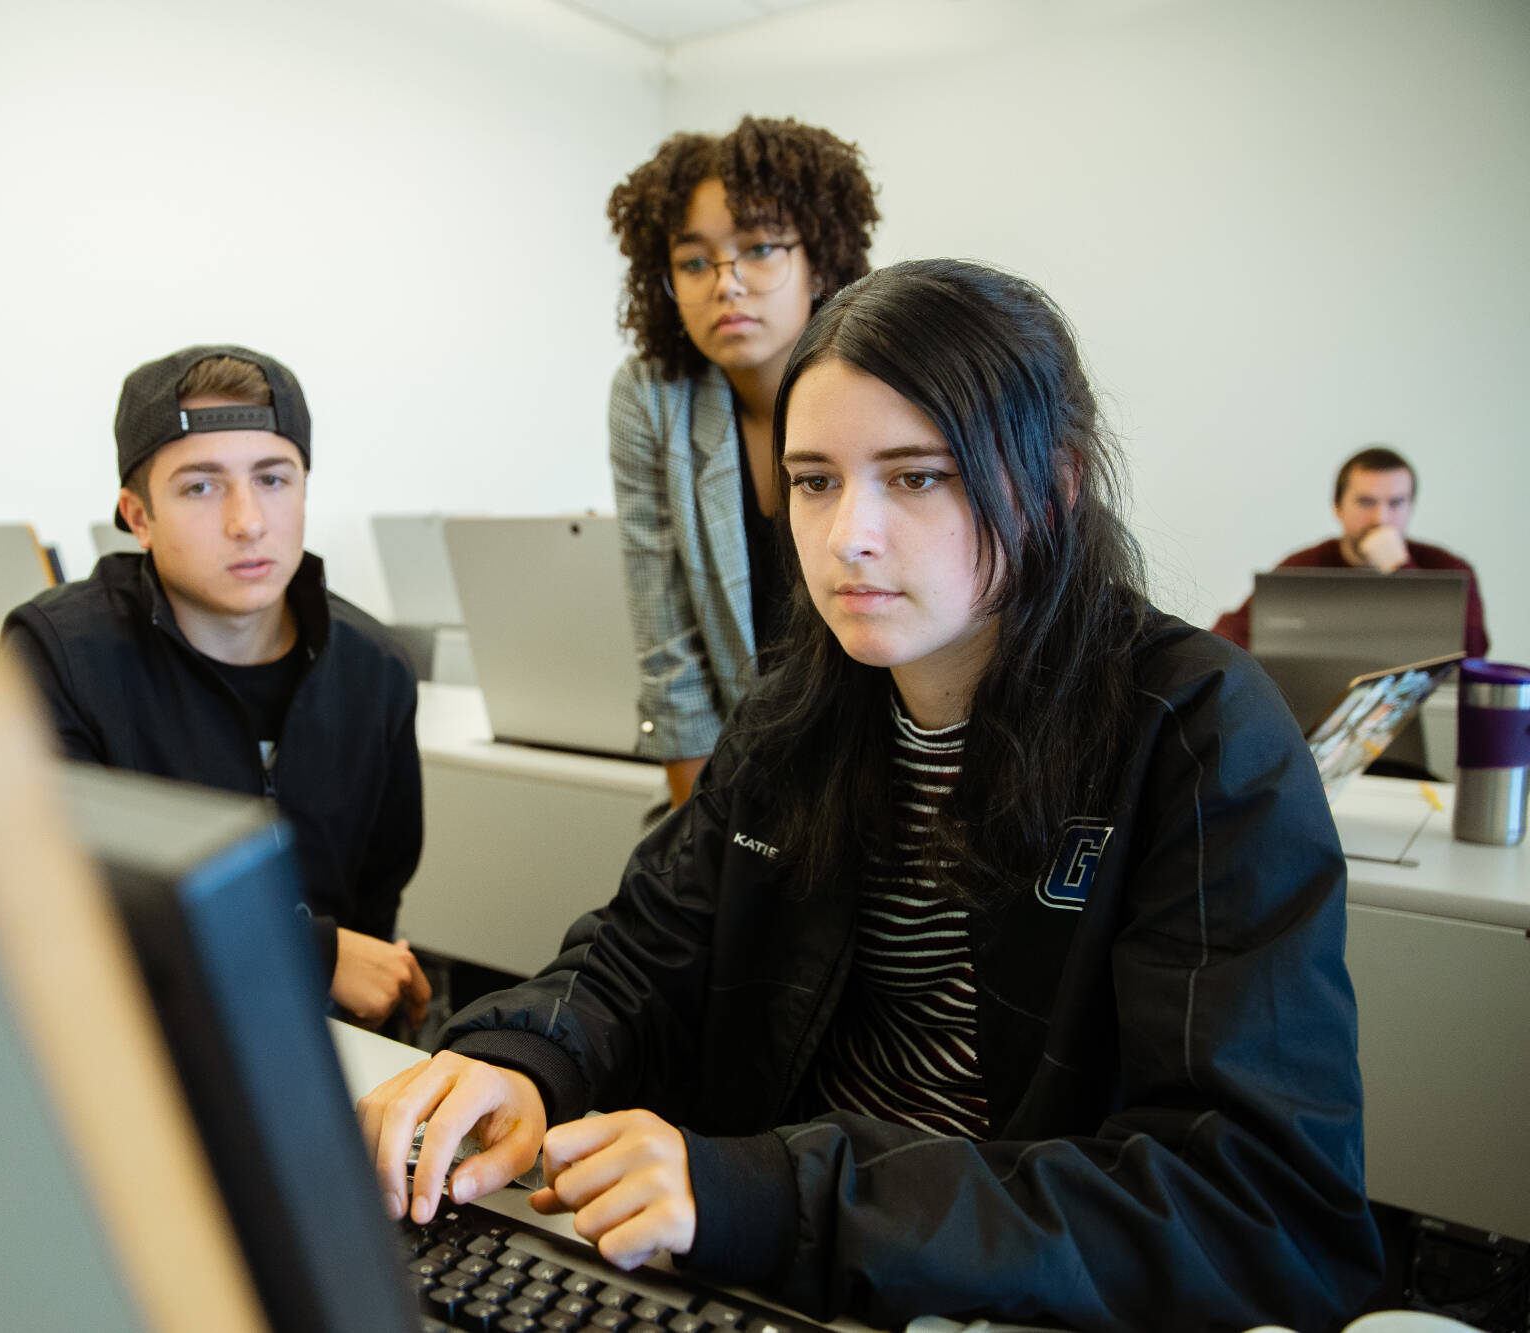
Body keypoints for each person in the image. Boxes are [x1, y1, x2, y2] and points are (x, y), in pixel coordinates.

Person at [357, 262, 1382, 1331]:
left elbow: (1256, 1208)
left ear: (1056, 484)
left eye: (916, 477)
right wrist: (524, 1059)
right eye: (812, 480)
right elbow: (642, 950)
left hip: (977, 1293)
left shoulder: (1197, 732)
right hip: (772, 1272)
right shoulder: (799, 707)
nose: (846, 535)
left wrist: (776, 1195)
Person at [2, 344, 430, 1032]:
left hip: (323, 1043)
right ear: (138, 516)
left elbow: (376, 904)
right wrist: (314, 953)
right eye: (200, 486)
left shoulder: (374, 670)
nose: (248, 520)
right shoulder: (60, 655)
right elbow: (68, 904)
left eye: (273, 478)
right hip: (137, 1039)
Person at [606, 116, 881, 805]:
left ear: (819, 257)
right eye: (694, 261)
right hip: (743, 769)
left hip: (885, 756)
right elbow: (668, 652)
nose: (725, 284)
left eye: (759, 249)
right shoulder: (653, 397)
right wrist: (704, 848)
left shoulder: (886, 378)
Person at [1211, 445, 1489, 658]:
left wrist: (1401, 571)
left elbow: (1471, 656)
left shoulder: (1449, 571)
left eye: (1396, 503)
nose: (1380, 518)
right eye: (1366, 502)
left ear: (1411, 508)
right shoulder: (1305, 568)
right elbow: (1233, 634)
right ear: (1337, 508)